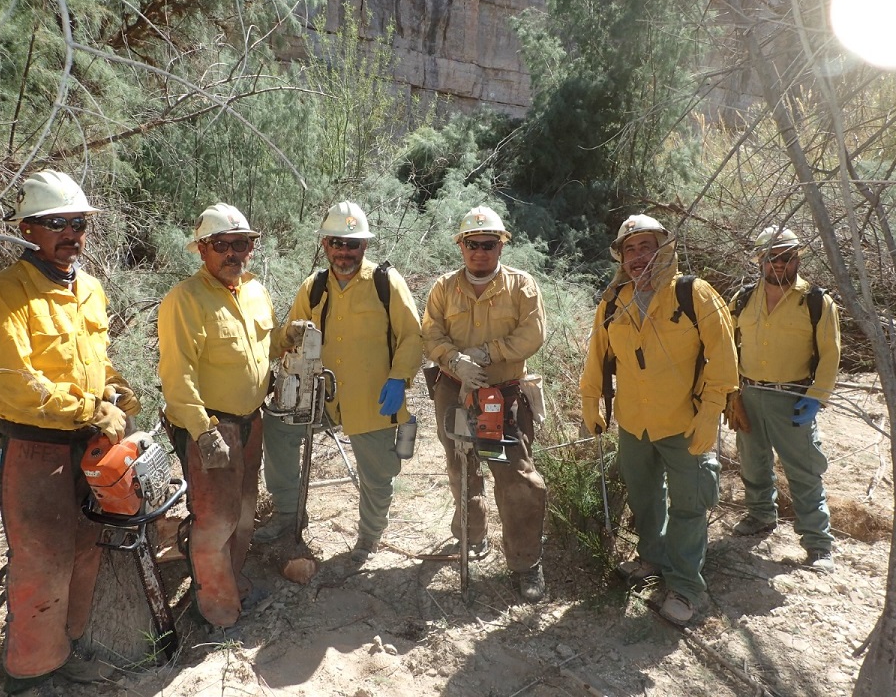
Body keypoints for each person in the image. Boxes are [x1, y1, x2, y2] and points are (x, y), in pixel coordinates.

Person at [0, 169, 137, 693]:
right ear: (28, 230)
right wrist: (90, 408)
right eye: (56, 223)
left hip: (88, 445)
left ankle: (69, 649)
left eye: (78, 223)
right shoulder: (3, 296)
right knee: (41, 558)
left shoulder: (88, 289)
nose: (71, 233)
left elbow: (94, 360)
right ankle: (30, 672)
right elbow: (19, 386)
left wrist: (116, 388)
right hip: (35, 450)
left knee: (86, 546)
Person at [579, 214, 738, 625]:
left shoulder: (695, 295)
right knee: (643, 495)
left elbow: (723, 359)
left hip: (685, 422)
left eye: (645, 246)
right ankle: (652, 556)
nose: (637, 257)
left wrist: (711, 414)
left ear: (664, 249)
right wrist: (590, 402)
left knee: (689, 503)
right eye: (629, 250)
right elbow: (596, 356)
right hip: (634, 422)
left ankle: (685, 587)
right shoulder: (614, 301)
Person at [254, 201, 422, 562]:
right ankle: (288, 513)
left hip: (373, 398)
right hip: (320, 396)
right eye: (337, 243)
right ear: (325, 245)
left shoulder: (385, 282)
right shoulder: (313, 287)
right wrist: (291, 334)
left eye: (353, 244)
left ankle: (368, 539)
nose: (344, 252)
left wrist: (399, 379)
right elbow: (287, 340)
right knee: (278, 429)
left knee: (377, 474)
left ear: (364, 246)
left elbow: (412, 335)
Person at [158, 203, 278, 629]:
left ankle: (234, 582)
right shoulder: (185, 300)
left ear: (251, 248)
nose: (233, 253)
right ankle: (216, 612)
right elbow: (177, 374)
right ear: (203, 250)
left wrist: (288, 338)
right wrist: (201, 430)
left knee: (244, 511)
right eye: (221, 245)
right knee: (216, 520)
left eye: (241, 244)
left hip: (251, 422)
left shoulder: (255, 291)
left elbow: (261, 348)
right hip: (211, 427)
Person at [422, 205, 548, 603]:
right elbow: (430, 331)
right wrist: (452, 358)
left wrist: (487, 354)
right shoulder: (444, 288)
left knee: (513, 476)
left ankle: (526, 563)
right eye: (472, 244)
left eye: (488, 244)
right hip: (455, 392)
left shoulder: (520, 286)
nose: (480, 251)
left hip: (500, 397)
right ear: (461, 246)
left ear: (501, 246)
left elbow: (533, 334)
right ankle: (471, 536)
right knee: (461, 466)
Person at [726, 226, 840, 573]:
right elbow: (727, 344)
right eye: (772, 258)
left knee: (804, 471)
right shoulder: (743, 299)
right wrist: (730, 391)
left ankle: (818, 543)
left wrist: (816, 398)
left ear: (797, 258)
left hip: (793, 398)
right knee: (752, 462)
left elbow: (831, 354)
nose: (779, 265)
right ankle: (760, 515)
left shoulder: (817, 302)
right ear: (760, 260)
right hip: (749, 393)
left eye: (787, 257)